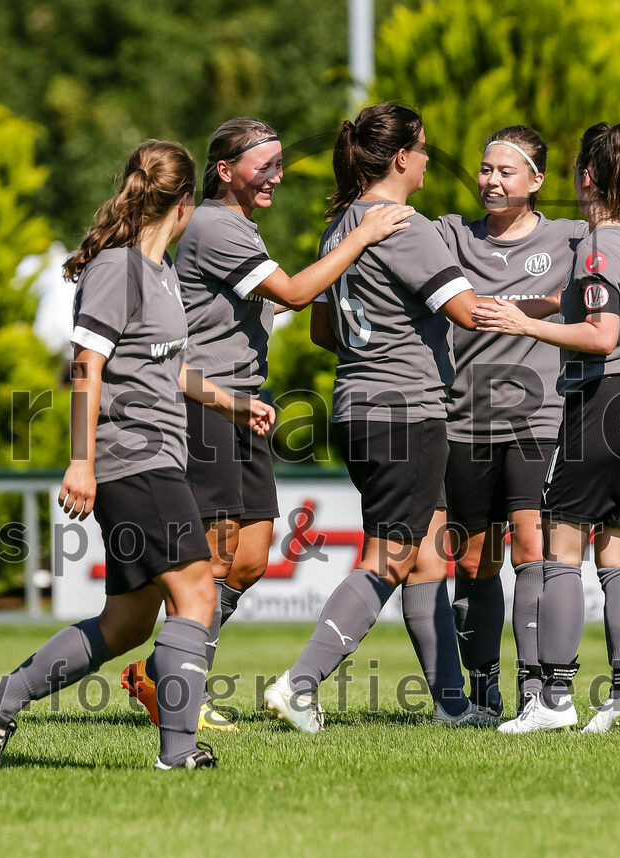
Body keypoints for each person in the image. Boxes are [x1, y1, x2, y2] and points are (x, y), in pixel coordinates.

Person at [0, 140, 274, 771]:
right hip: (134, 458)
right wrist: (81, 461)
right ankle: (178, 754)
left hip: (157, 457)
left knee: (130, 623)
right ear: (183, 204)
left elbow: (169, 369)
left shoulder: (160, 274)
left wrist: (231, 404)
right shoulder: (117, 268)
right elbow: (85, 366)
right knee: (197, 596)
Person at [120, 118, 413, 731]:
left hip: (241, 405)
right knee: (215, 559)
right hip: (206, 406)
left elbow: (280, 297)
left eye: (282, 162)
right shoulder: (215, 225)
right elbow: (297, 294)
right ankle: (176, 683)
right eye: (266, 164)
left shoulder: (235, 227)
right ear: (225, 171)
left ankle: (159, 671)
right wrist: (361, 237)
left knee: (250, 558)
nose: (278, 174)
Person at [264, 102, 495, 732]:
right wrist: (546, 310)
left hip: (358, 405)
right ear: (401, 158)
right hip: (405, 412)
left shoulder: (339, 226)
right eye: (422, 149)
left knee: (425, 559)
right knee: (391, 556)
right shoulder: (405, 226)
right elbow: (470, 313)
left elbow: (319, 331)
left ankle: (453, 706)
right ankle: (300, 684)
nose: (426, 159)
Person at [436, 126, 620, 720]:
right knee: (615, 556)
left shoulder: (588, 243)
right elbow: (597, 298)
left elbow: (600, 332)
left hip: (594, 400)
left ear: (578, 177)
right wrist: (530, 307)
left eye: (505, 171)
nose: (491, 180)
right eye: (485, 170)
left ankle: (551, 696)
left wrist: (524, 326)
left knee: (557, 551)